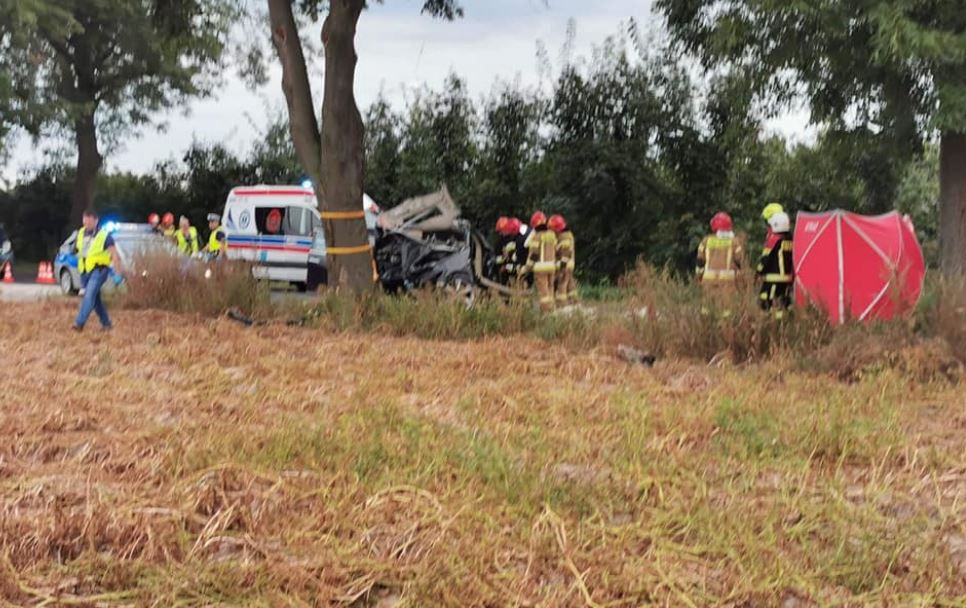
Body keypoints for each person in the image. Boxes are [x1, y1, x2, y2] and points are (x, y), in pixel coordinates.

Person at [73, 209, 123, 331]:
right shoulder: (80, 234)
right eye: (85, 220)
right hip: (85, 271)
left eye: (90, 221)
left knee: (89, 295)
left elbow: (115, 255)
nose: (87, 223)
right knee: (95, 301)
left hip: (99, 270)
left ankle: (79, 323)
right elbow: (78, 251)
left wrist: (118, 274)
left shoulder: (105, 236)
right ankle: (106, 324)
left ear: (96, 221)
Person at [757, 211, 794, 318]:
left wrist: (758, 271)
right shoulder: (791, 239)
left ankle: (769, 324)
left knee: (766, 301)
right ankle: (783, 324)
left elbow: (765, 258)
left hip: (772, 279)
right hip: (787, 279)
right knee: (783, 302)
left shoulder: (774, 239)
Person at [696, 212, 743, 286]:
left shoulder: (706, 241)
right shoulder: (735, 242)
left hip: (708, 281)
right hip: (728, 283)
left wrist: (698, 277)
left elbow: (700, 260)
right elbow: (740, 261)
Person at [524, 211, 557, 312]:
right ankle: (552, 309)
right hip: (552, 266)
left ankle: (546, 311)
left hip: (540, 267)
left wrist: (527, 268)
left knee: (543, 292)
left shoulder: (536, 236)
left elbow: (533, 253)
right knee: (550, 289)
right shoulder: (552, 234)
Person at [549, 214, 576, 306]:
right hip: (568, 264)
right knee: (569, 286)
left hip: (565, 265)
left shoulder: (564, 237)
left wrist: (562, 268)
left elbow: (565, 253)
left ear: (557, 228)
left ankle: (561, 304)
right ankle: (573, 303)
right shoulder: (566, 235)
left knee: (562, 286)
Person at [494, 216, 521, 285]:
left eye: (502, 231)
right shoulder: (499, 242)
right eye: (500, 231)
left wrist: (505, 266)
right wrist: (501, 265)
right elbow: (498, 256)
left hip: (515, 266)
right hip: (507, 266)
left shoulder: (515, 239)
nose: (501, 233)